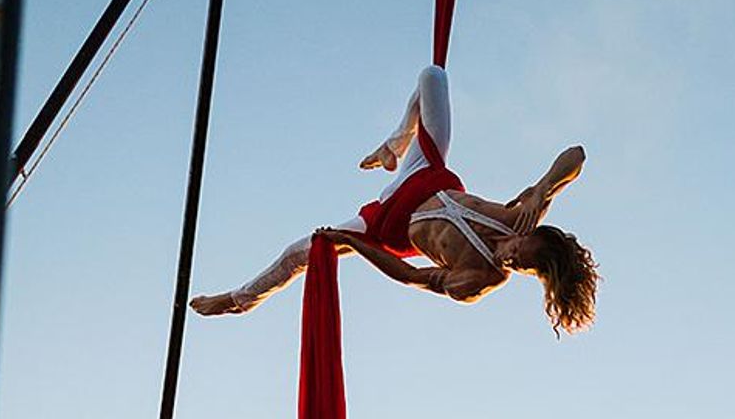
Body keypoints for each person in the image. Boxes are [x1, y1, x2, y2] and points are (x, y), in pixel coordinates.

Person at [191, 65, 598, 335]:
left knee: (301, 252)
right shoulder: (521, 216)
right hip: (425, 175)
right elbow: (575, 155)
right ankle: (395, 144)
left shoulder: (480, 278)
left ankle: (239, 300)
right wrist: (543, 188)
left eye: (521, 266)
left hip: (389, 225)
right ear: (535, 235)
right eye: (521, 250)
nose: (511, 257)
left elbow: (410, 277)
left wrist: (357, 245)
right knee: (432, 77)